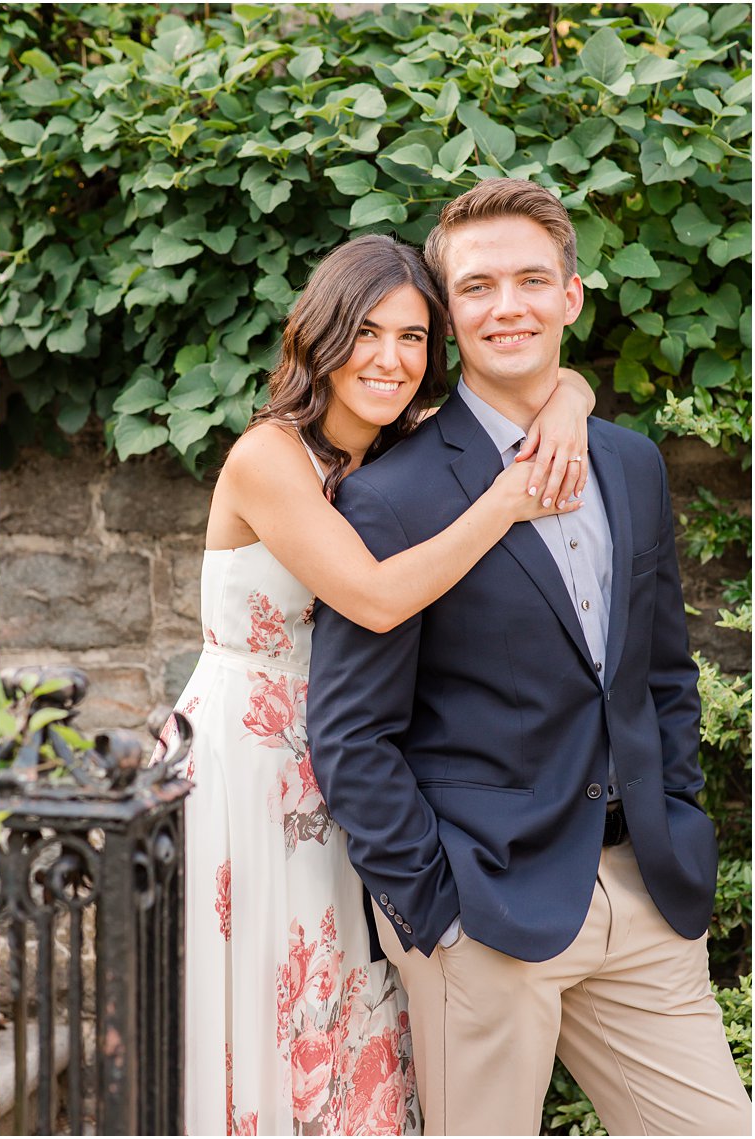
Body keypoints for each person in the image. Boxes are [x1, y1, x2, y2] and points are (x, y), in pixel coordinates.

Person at [308, 179, 752, 1135]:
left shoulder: (630, 461)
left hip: (641, 894)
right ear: (448, 311)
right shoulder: (392, 497)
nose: (506, 306)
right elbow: (352, 733)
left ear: (571, 296)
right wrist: (434, 915)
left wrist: (676, 815)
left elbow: (663, 670)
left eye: (529, 280)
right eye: (475, 289)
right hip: (482, 910)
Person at [165, 232, 596, 1135]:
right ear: (321, 333)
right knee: (270, 994)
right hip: (251, 762)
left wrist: (572, 404)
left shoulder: (393, 462)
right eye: (367, 332)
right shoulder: (268, 455)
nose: (390, 359)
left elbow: (544, 384)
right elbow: (374, 596)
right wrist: (509, 500)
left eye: (412, 338)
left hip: (351, 762)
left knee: (353, 994)